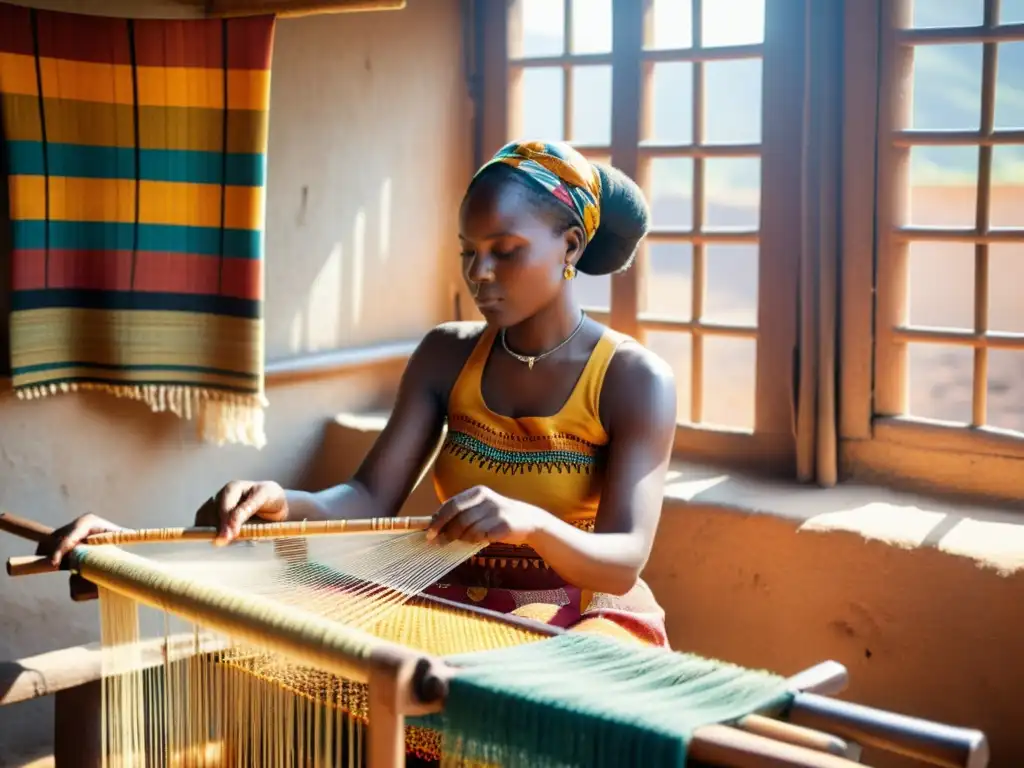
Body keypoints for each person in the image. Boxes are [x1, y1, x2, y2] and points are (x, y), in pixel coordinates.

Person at [39, 140, 678, 648]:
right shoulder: (446, 355)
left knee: (527, 712)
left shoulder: (632, 380)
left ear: (570, 245)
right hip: (452, 600)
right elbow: (369, 496)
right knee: (287, 620)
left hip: (575, 624)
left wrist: (531, 523)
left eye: (506, 251)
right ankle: (125, 551)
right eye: (468, 253)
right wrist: (283, 501)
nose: (480, 274)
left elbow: (622, 560)